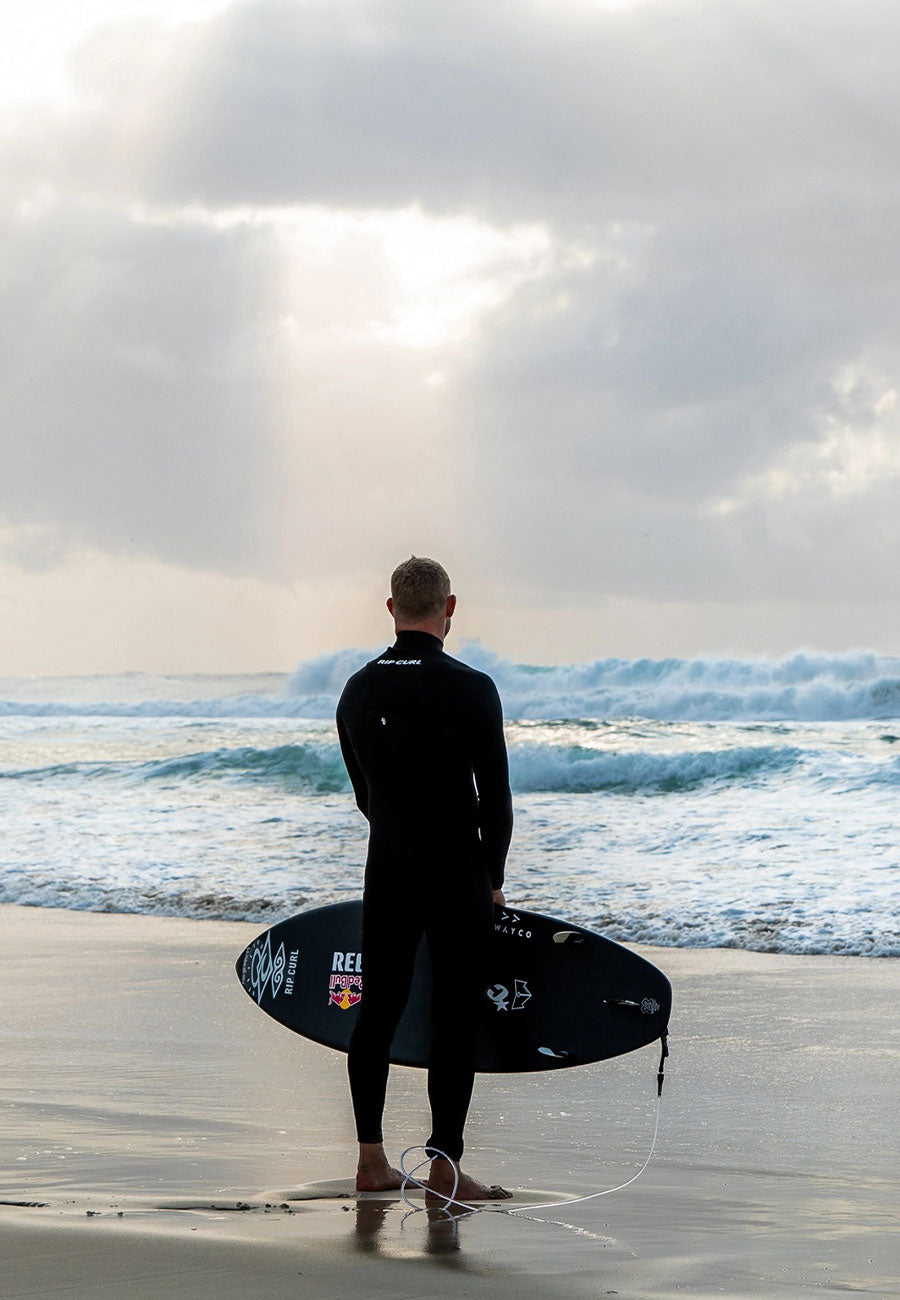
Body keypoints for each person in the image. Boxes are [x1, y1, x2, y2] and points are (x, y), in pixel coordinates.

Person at [336, 556, 514, 1202]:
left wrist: (398, 836)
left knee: (376, 1011)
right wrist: (492, 874)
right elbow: (495, 798)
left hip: (388, 867)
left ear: (390, 609)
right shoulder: (470, 687)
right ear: (450, 607)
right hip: (454, 870)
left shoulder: (357, 689)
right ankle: (444, 1166)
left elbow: (365, 794)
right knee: (453, 1018)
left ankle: (371, 1161)